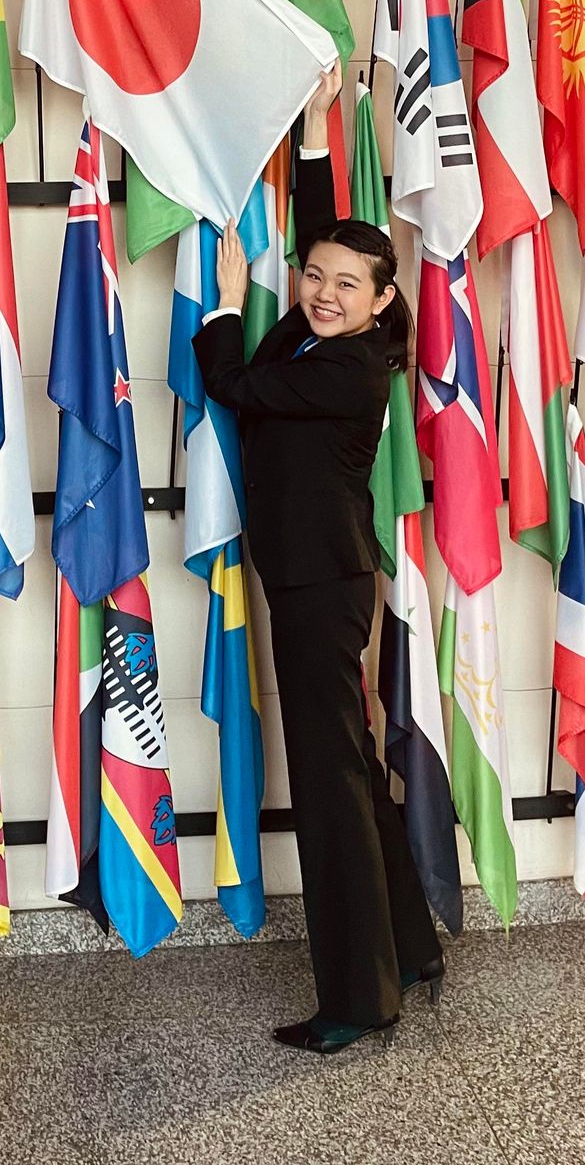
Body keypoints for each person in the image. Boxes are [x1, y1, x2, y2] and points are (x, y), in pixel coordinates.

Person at [192, 61, 443, 1056]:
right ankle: (411, 948)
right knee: (346, 768)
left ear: (384, 303)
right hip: (318, 574)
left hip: (320, 585)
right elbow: (320, 227)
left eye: (349, 283)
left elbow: (236, 386)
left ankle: (357, 999)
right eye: (315, 275)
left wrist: (218, 309)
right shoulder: (313, 328)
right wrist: (311, 132)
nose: (325, 291)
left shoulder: (348, 366)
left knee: (334, 786)